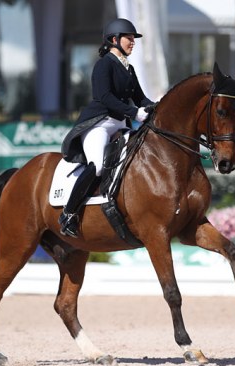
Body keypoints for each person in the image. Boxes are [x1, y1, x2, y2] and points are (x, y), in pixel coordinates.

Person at [59, 18, 155, 238]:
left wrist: (159, 107)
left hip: (121, 124)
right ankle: (69, 214)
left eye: (133, 38)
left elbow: (140, 98)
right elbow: (104, 97)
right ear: (114, 40)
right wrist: (134, 113)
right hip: (100, 124)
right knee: (99, 166)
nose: (133, 42)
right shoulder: (104, 64)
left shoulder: (128, 68)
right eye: (129, 38)